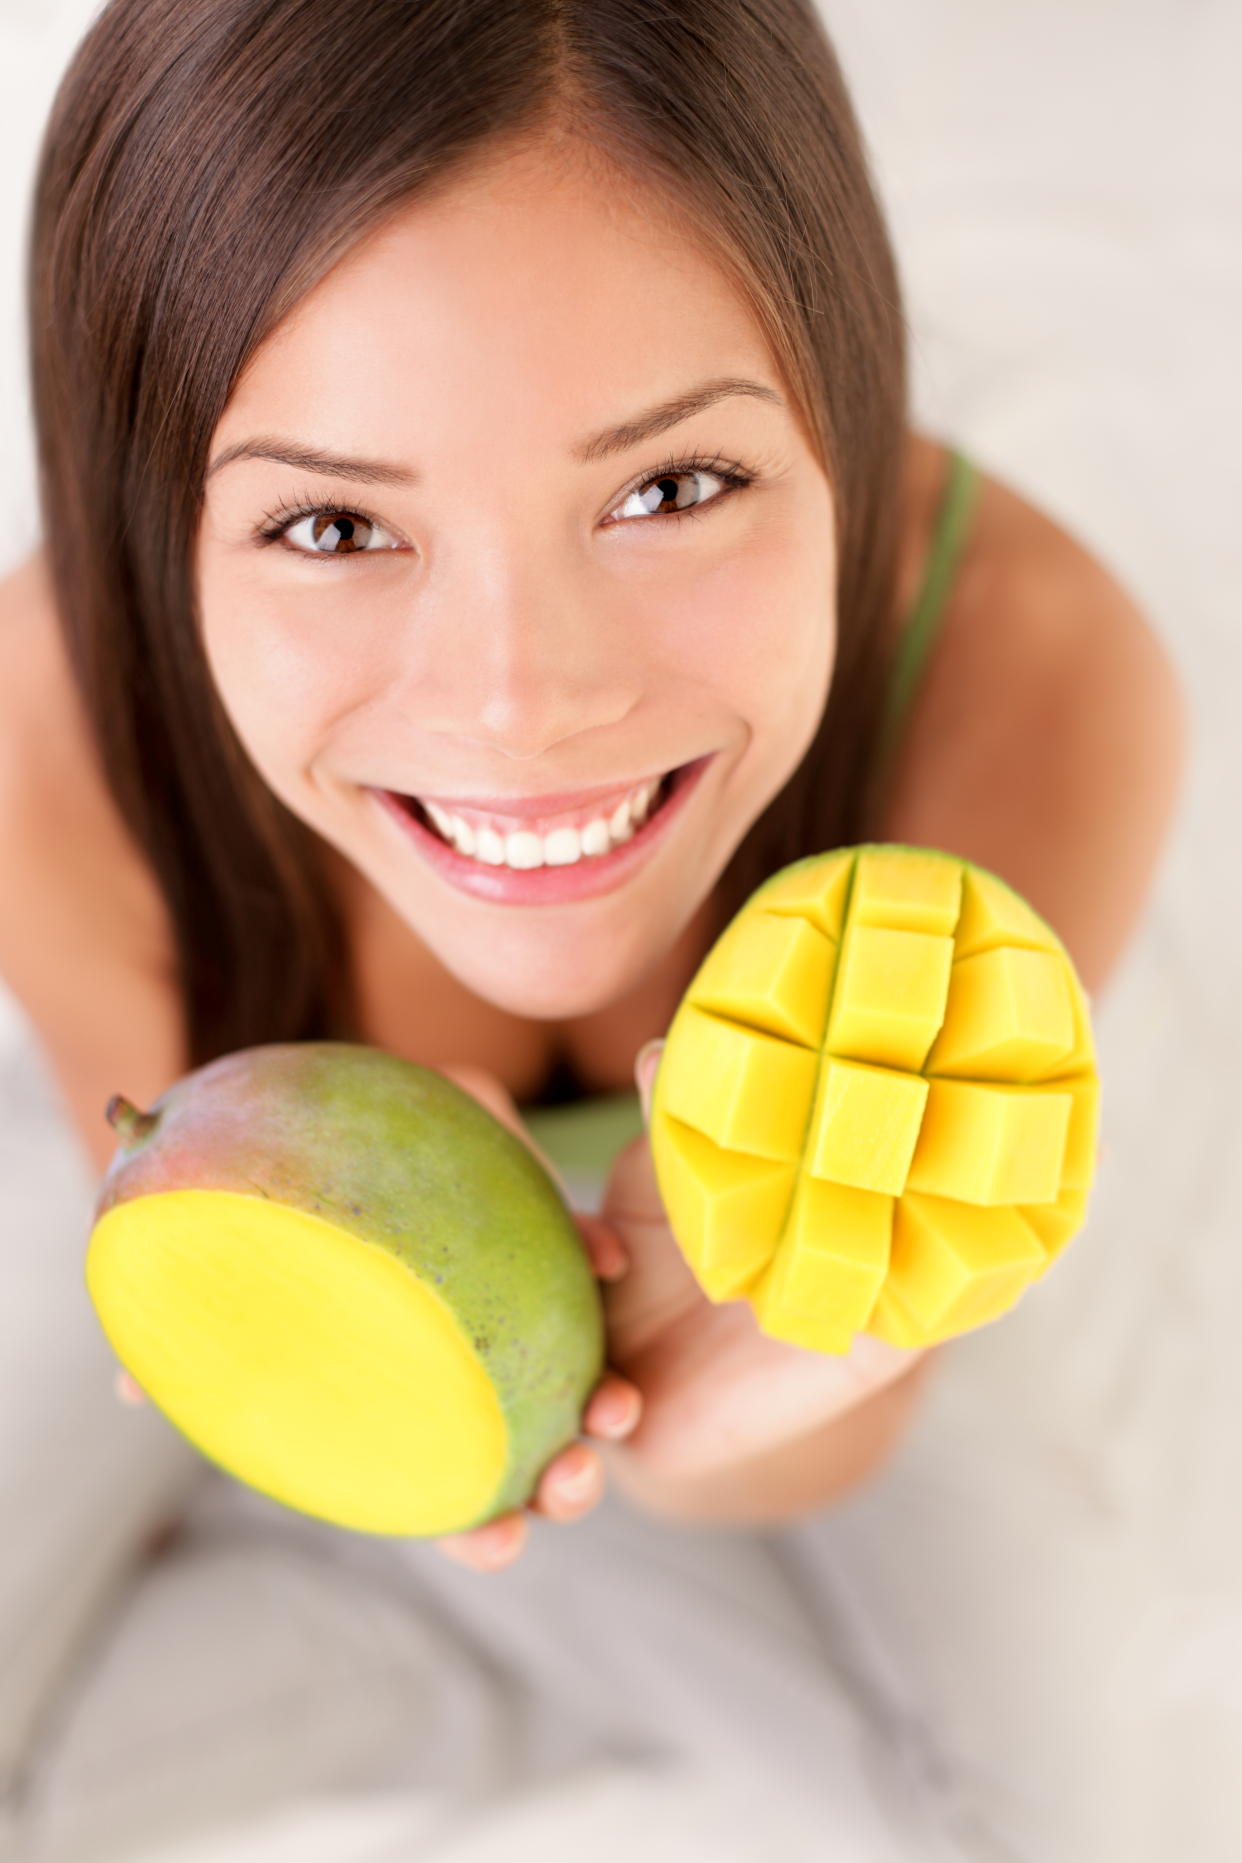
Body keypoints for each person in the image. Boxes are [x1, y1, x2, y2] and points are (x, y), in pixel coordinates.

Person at [0, 0, 1188, 1854]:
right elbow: (258, 1318)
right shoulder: (49, 731)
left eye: (669, 487)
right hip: (291, 1244)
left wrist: (738, 1380)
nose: (519, 705)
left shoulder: (1034, 674)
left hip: (762, 1312)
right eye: (329, 527)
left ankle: (429, 1646)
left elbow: (814, 1436)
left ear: (842, 406)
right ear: (158, 521)